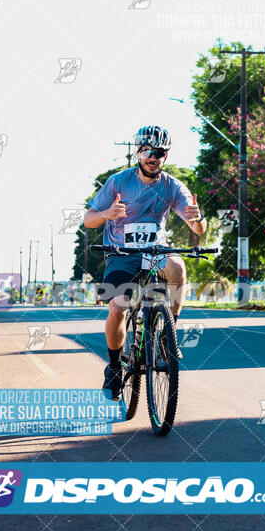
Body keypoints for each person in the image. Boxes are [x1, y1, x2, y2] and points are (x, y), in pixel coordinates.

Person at [83, 125, 206, 398]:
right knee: (118, 307)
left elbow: (198, 229)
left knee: (178, 267)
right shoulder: (118, 181)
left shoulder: (173, 186)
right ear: (138, 152)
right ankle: (114, 367)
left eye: (159, 152)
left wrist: (197, 218)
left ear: (166, 155)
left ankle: (167, 334)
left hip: (155, 254)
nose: (153, 157)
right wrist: (107, 213)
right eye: (147, 151)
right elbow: (88, 219)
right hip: (121, 254)